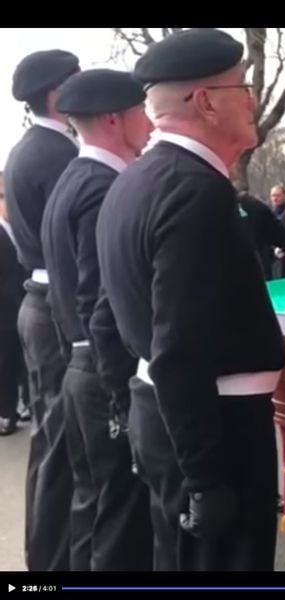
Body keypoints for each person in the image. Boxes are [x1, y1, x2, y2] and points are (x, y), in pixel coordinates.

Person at [95, 28, 285, 571]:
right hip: (215, 426)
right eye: (241, 86)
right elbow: (177, 348)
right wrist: (205, 477)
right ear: (205, 102)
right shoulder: (193, 190)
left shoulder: (137, 181)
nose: (251, 99)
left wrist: (127, 407)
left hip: (168, 417)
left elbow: (109, 315)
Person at [40, 68, 154, 571]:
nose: (150, 124)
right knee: (122, 514)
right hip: (104, 368)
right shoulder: (105, 185)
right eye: (141, 112)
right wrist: (119, 391)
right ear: (114, 118)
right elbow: (98, 299)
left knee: (92, 504)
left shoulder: (73, 178)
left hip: (78, 366)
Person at [4, 48, 81, 572]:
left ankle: (51, 558)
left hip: (40, 301)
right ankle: (51, 567)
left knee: (53, 439)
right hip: (56, 305)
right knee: (59, 444)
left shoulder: (29, 149)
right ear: (57, 95)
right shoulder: (56, 155)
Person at [0, 190, 24, 436]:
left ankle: (25, 405)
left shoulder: (20, 229)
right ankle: (6, 413)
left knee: (24, 362)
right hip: (5, 311)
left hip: (22, 305)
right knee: (5, 363)